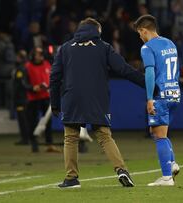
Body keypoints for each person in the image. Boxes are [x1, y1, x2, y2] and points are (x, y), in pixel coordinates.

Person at [50, 17, 145, 188]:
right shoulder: (103, 47)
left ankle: (71, 178)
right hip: (97, 99)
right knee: (104, 136)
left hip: (72, 98)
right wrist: (147, 84)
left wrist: (55, 103)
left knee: (71, 138)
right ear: (97, 31)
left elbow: (54, 78)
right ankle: (121, 170)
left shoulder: (65, 48)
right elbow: (124, 69)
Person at [134, 14, 181, 186]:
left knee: (158, 135)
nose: (140, 37)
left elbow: (150, 72)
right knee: (161, 133)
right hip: (174, 93)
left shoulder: (147, 48)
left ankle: (167, 177)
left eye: (139, 33)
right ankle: (172, 163)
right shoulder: (170, 43)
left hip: (160, 95)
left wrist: (149, 98)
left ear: (144, 30)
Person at [25, 47, 59, 153]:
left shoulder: (47, 64)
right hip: (33, 98)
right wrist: (32, 87)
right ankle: (34, 144)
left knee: (47, 122)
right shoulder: (27, 67)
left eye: (41, 54)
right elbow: (24, 83)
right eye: (38, 54)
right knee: (33, 121)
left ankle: (49, 143)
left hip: (45, 97)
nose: (40, 56)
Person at [12, 50, 29, 145]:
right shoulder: (24, 67)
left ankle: (25, 139)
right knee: (24, 118)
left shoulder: (21, 69)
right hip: (23, 97)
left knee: (22, 119)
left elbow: (20, 84)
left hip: (21, 98)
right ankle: (26, 138)